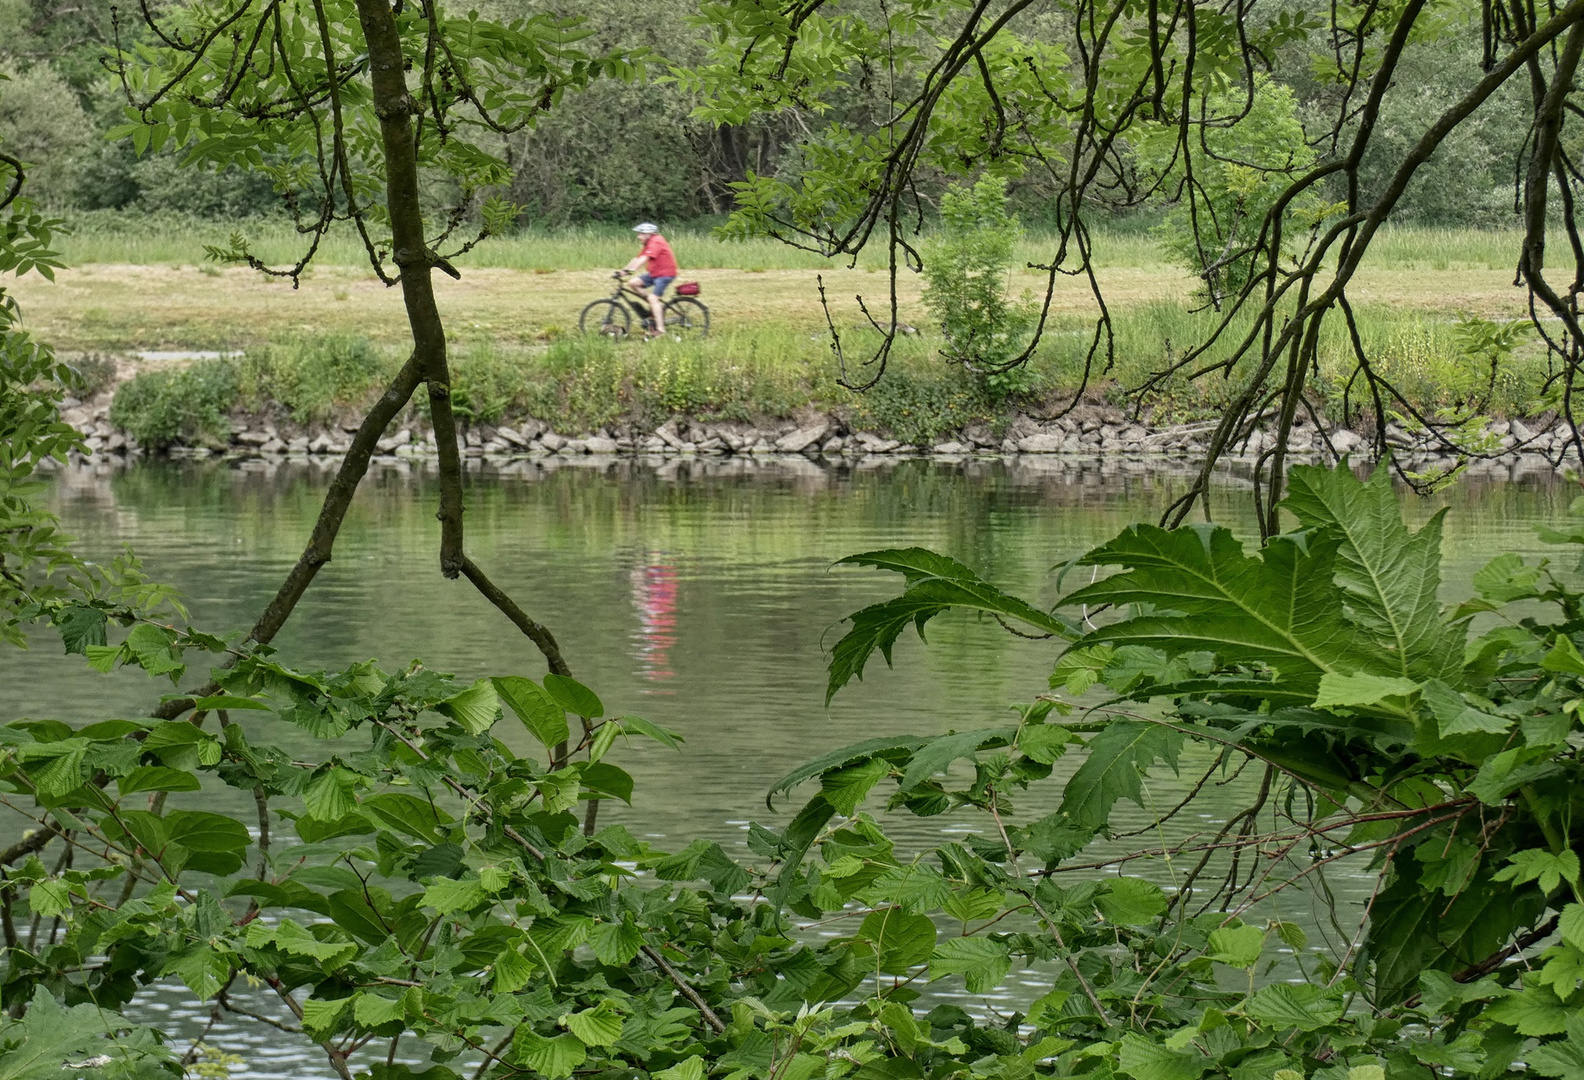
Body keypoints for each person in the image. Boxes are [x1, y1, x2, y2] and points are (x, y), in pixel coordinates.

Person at [622, 223, 677, 338]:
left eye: (641, 234)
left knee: (653, 298)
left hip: (665, 274)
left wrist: (631, 271)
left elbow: (644, 259)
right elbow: (637, 259)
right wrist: (623, 272)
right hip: (655, 273)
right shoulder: (648, 243)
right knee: (633, 283)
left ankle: (661, 330)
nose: (638, 236)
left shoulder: (656, 241)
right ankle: (654, 307)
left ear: (648, 234)